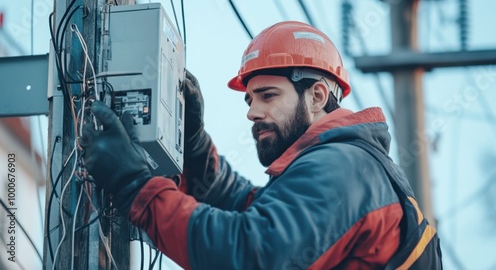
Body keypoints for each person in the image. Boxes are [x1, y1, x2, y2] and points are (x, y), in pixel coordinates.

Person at [83, 21, 442, 269]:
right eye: (250, 100)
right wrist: (195, 149)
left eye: (268, 96)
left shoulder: (343, 167)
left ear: (317, 96)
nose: (253, 112)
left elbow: (250, 254)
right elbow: (251, 210)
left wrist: (135, 187)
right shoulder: (348, 166)